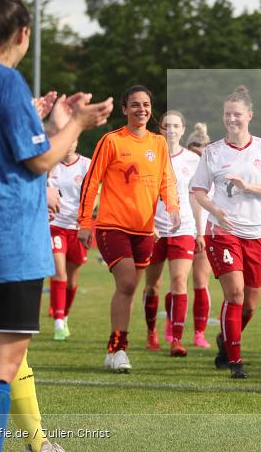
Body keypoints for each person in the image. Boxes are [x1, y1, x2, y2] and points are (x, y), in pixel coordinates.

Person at [0, 0, 112, 451]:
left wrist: (58, 122)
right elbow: (39, 160)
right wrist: (77, 123)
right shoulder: (5, 81)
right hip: (8, 241)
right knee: (1, 362)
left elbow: (14, 147)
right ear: (22, 34)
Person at [77, 85, 180, 373]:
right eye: (135, 105)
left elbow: (166, 180)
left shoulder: (158, 143)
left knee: (130, 290)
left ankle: (114, 350)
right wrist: (85, 222)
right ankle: (118, 349)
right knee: (127, 284)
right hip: (112, 227)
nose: (141, 109)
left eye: (146, 104)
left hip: (145, 230)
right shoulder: (111, 141)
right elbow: (91, 182)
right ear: (124, 109)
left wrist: (172, 207)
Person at [191, 86, 261, 379]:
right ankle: (236, 360)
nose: (232, 119)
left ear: (249, 116)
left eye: (237, 114)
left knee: (250, 304)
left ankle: (225, 341)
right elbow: (198, 190)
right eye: (227, 114)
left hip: (257, 233)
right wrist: (215, 211)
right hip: (223, 233)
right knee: (236, 293)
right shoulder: (213, 152)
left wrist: (248, 187)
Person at [143, 110, 203, 357]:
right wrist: (147, 224)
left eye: (176, 126)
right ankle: (151, 332)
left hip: (184, 228)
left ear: (183, 129)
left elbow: (197, 196)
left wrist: (200, 230)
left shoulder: (193, 160)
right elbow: (143, 194)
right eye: (167, 126)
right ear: (161, 129)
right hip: (154, 230)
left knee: (179, 282)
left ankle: (176, 340)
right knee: (153, 286)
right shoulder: (149, 156)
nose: (172, 130)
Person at [46, 129, 91, 341]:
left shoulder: (86, 165)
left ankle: (64, 314)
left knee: (72, 281)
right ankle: (58, 321)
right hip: (55, 225)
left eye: (73, 140)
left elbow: (92, 195)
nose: (69, 145)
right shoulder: (49, 164)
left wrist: (86, 223)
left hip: (78, 228)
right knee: (59, 273)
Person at [186, 123, 213, 348]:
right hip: (182, 231)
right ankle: (167, 330)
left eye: (202, 154)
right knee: (176, 282)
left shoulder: (214, 172)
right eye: (195, 153)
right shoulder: (181, 169)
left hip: (205, 232)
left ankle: (199, 333)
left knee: (200, 281)